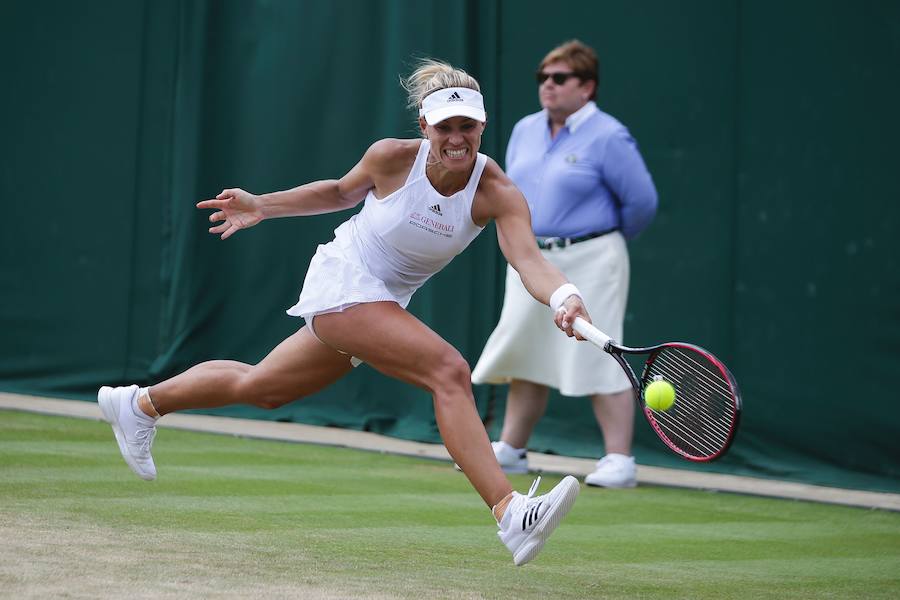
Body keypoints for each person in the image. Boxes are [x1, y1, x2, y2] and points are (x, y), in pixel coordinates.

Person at [98, 59, 594, 566]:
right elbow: (339, 192)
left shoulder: (498, 193)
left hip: (382, 300)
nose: (457, 138)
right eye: (445, 127)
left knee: (262, 387)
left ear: (482, 127)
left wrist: (564, 297)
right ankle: (510, 512)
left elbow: (528, 260)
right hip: (345, 278)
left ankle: (138, 405)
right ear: (425, 127)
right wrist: (262, 205)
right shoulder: (391, 158)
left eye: (467, 126)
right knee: (449, 371)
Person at [471, 40, 658, 488]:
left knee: (601, 351)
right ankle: (513, 448)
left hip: (594, 257)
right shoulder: (524, 129)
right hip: (531, 259)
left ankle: (619, 460)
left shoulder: (609, 135)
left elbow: (642, 203)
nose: (548, 86)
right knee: (527, 349)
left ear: (587, 86)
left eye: (560, 78)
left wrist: (594, 241)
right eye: (543, 78)